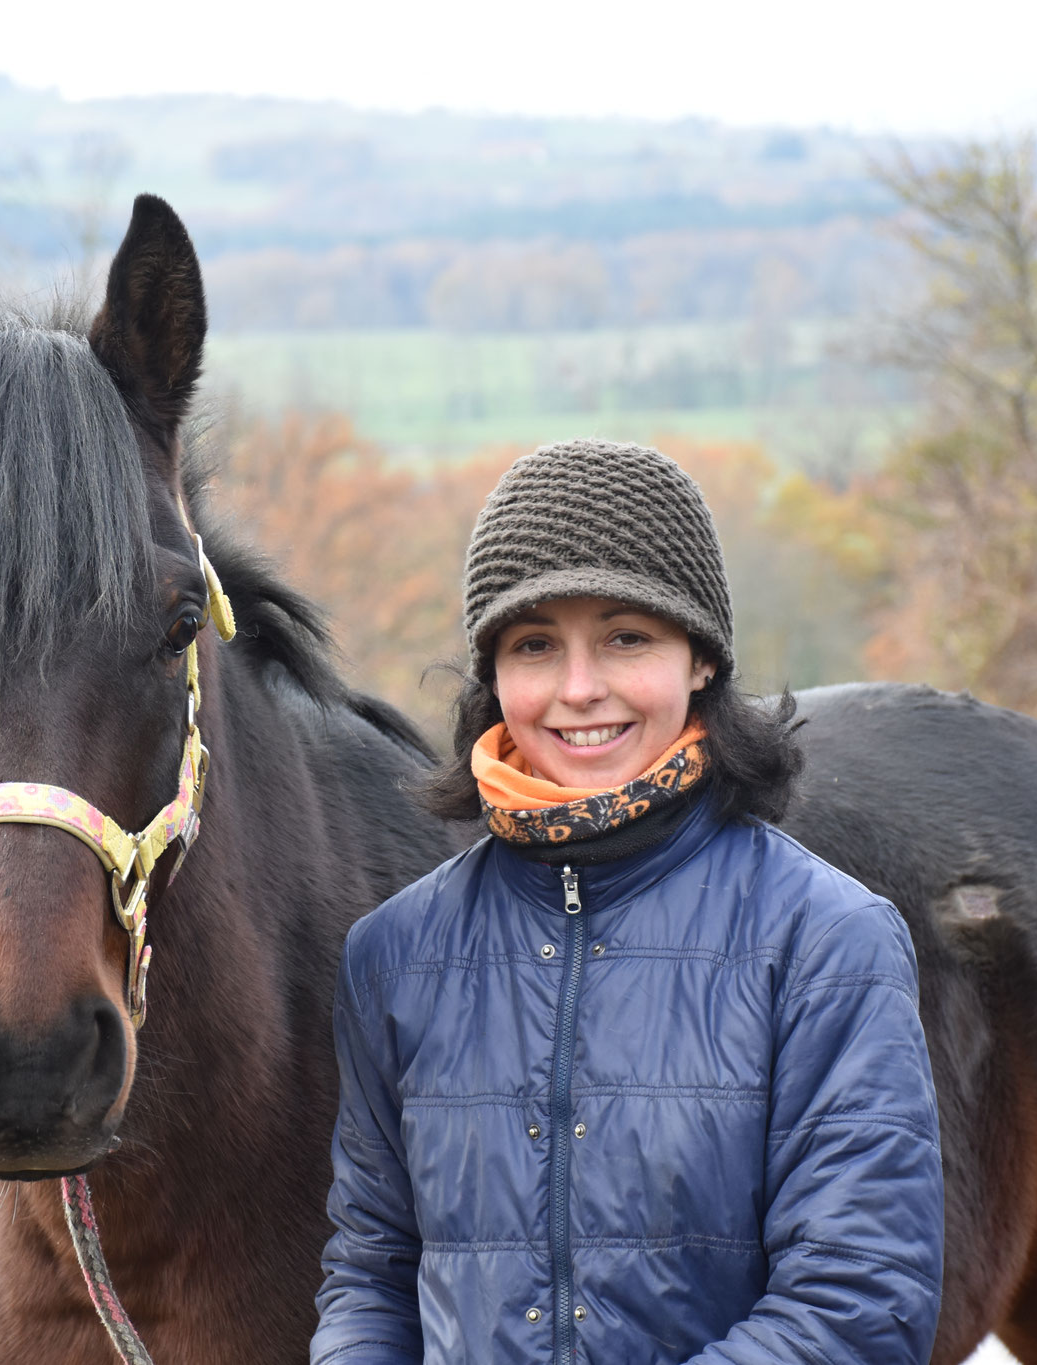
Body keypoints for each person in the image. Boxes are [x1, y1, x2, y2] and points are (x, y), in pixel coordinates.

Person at [311, 440, 944, 1365]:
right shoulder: (395, 956)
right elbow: (370, 1272)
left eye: (626, 636)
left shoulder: (827, 942)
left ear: (701, 662)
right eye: (535, 645)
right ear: (495, 678)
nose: (578, 689)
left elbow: (861, 1297)